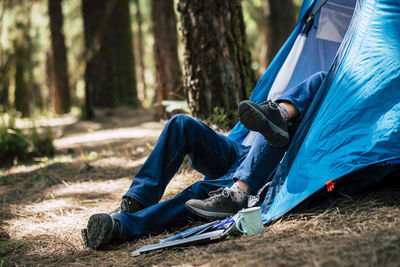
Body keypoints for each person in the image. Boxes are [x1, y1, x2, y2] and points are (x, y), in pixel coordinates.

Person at [81, 71, 327, 249]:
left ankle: (122, 227)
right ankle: (135, 202)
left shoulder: (345, 111)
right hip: (244, 151)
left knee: (199, 192)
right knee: (181, 124)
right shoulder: (326, 81)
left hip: (265, 168)